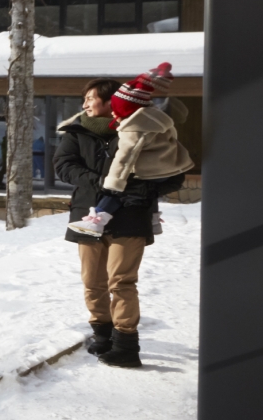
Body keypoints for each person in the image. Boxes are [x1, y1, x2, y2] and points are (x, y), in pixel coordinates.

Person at [54, 78, 185, 368]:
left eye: (91, 98)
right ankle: (102, 334)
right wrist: (103, 182)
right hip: (87, 215)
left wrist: (143, 191)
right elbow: (64, 166)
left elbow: (174, 173)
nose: (85, 104)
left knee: (122, 281)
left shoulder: (144, 129)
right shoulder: (76, 130)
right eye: (85, 98)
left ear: (111, 101)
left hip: (131, 217)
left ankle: (126, 344)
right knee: (93, 282)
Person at [70, 64, 195, 239]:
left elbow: (125, 157)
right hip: (167, 167)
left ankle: (97, 219)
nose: (114, 113)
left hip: (152, 170)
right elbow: (173, 139)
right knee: (144, 186)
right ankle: (153, 219)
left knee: (120, 189)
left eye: (116, 109)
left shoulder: (133, 129)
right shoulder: (155, 119)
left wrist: (114, 182)